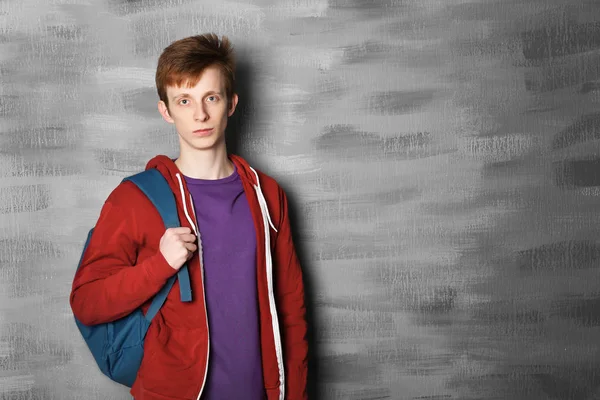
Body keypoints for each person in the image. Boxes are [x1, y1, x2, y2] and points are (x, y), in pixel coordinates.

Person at [69, 33, 308, 400]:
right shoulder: (135, 199)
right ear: (166, 110)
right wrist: (159, 265)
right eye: (184, 100)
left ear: (230, 103)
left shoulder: (267, 195)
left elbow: (290, 310)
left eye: (211, 97)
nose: (200, 114)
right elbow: (87, 302)